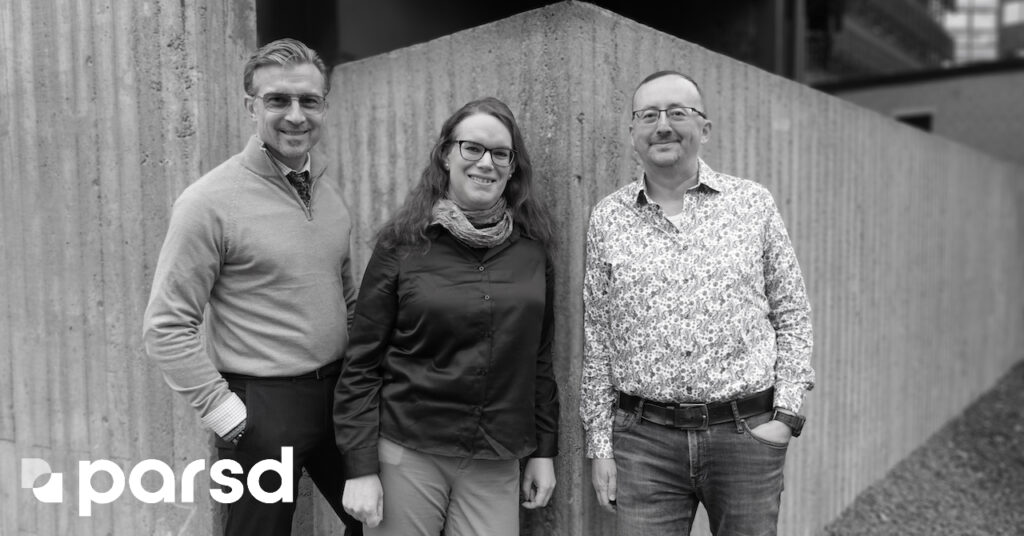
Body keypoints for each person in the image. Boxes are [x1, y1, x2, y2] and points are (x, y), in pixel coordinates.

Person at [580, 70, 815, 535]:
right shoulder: (608, 217)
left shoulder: (752, 204)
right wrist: (600, 445)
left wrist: (785, 417)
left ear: (704, 129)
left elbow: (792, 312)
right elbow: (598, 334)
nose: (662, 125)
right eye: (648, 115)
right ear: (633, 133)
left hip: (744, 433)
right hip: (643, 443)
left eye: (677, 112)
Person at [142, 38, 361, 536]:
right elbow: (166, 326)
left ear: (324, 105)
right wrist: (229, 416)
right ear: (251, 107)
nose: (296, 115)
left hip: (339, 397)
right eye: (277, 100)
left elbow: (347, 298)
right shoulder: (207, 202)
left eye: (309, 100)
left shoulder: (329, 193)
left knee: (384, 520)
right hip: (261, 411)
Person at [334, 97, 559, 536]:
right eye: (471, 148)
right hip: (408, 451)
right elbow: (361, 364)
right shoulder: (401, 245)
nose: (486, 163)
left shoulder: (533, 252)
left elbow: (540, 361)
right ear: (446, 155)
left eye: (500, 153)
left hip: (496, 456)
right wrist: (359, 467)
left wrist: (544, 451)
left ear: (513, 168)